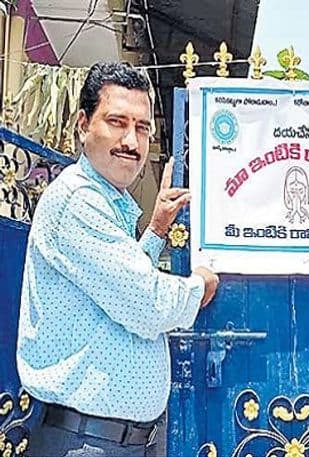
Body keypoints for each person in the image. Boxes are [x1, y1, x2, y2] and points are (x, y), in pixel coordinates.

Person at [16, 61, 219, 457]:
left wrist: (157, 229)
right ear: (82, 125)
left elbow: (116, 294)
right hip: (86, 441)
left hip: (119, 440)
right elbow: (147, 304)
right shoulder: (78, 200)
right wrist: (200, 286)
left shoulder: (105, 203)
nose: (131, 140)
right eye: (116, 122)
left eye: (142, 128)